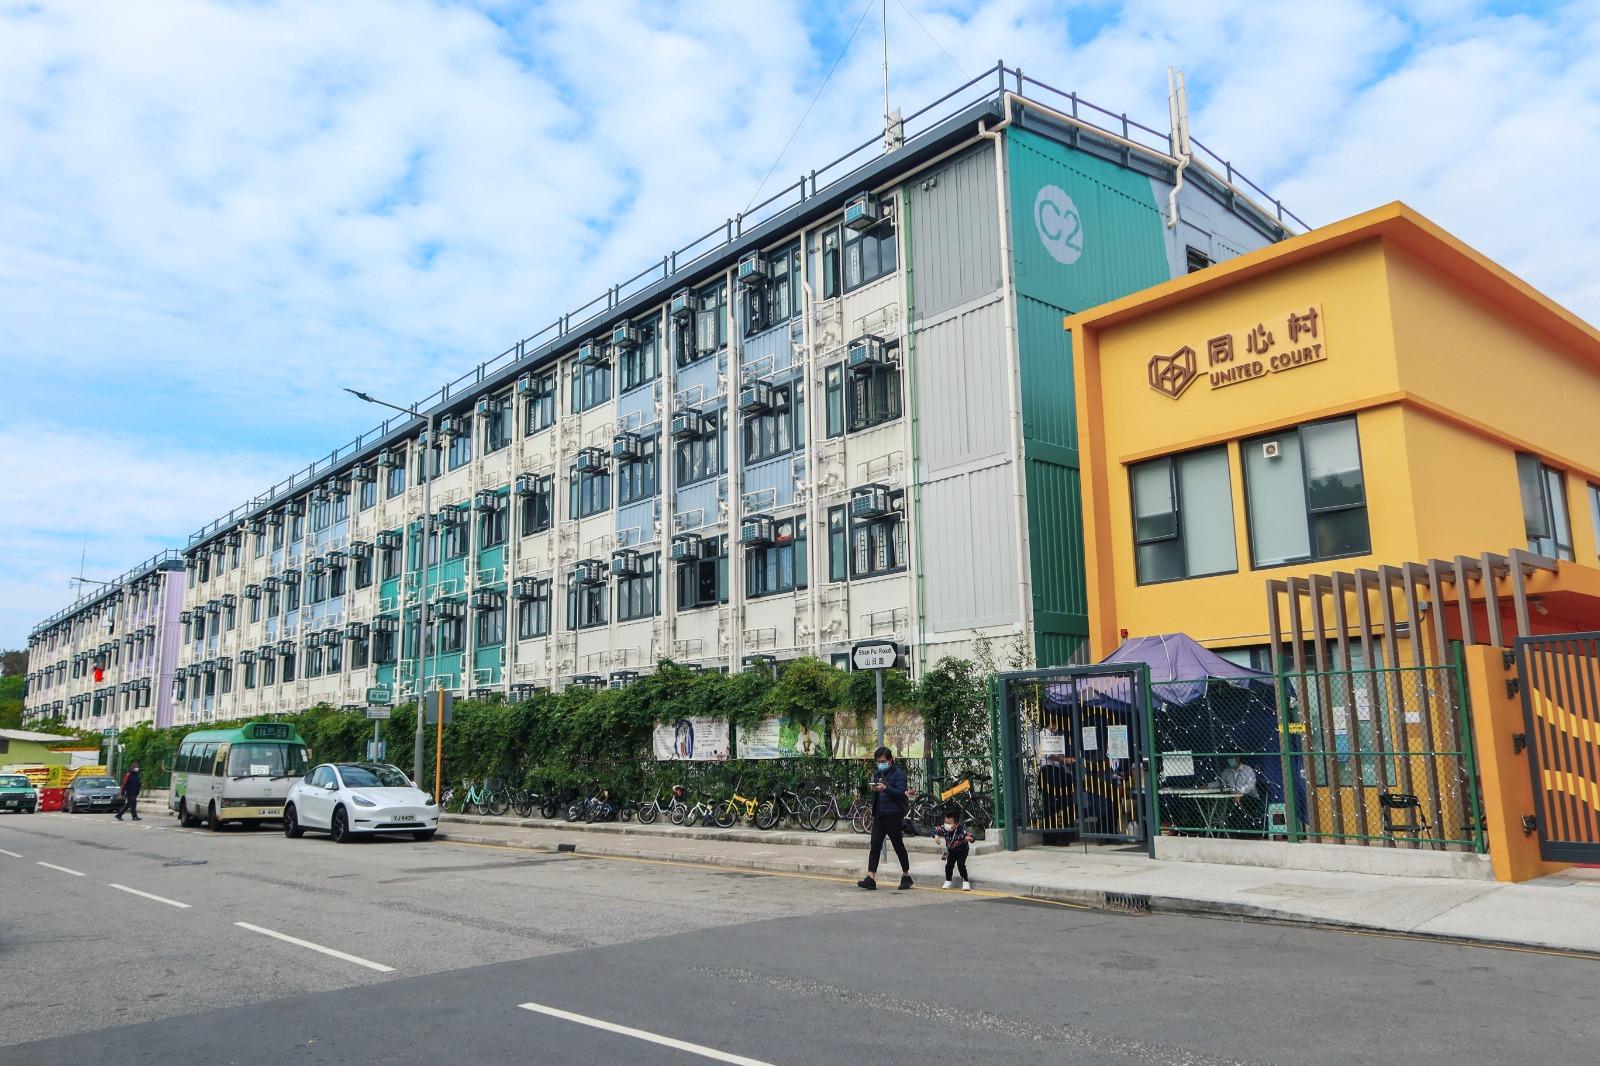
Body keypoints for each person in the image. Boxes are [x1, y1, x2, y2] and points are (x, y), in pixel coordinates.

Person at [857, 746, 912, 891]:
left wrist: (886, 788)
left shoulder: (899, 774)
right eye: (877, 761)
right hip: (879, 815)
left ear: (890, 760)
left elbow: (901, 793)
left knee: (898, 845)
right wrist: (875, 790)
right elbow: (878, 793)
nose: (880, 764)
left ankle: (906, 875)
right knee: (875, 846)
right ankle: (870, 878)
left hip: (893, 815)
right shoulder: (877, 773)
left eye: (882, 761)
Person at [933, 808, 975, 891]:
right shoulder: (944, 829)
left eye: (949, 823)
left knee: (960, 864)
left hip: (962, 850)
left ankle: (965, 882)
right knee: (948, 865)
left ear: (956, 824)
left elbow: (972, 837)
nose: (946, 825)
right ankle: (948, 881)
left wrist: (970, 839)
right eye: (945, 822)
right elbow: (934, 830)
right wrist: (936, 836)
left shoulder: (961, 830)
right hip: (950, 850)